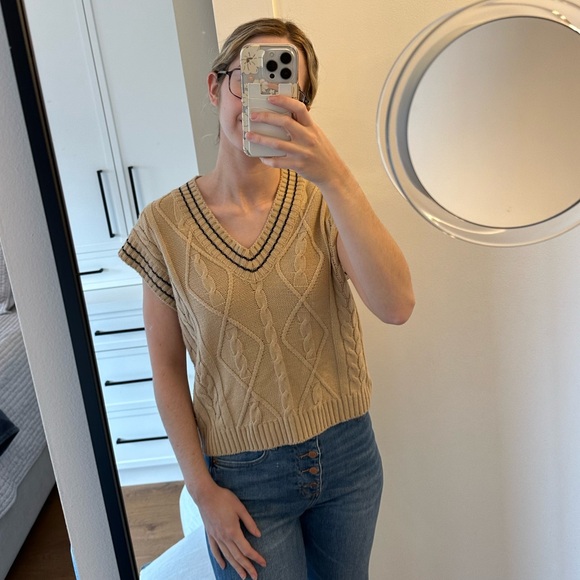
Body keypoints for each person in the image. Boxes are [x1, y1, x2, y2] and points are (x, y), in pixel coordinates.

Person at [119, 17, 414, 580]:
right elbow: (166, 369)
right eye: (247, 78)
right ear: (215, 88)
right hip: (242, 478)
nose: (260, 99)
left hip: (348, 458)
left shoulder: (324, 200)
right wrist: (201, 491)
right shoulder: (164, 227)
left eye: (281, 85)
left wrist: (334, 177)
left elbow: (397, 305)